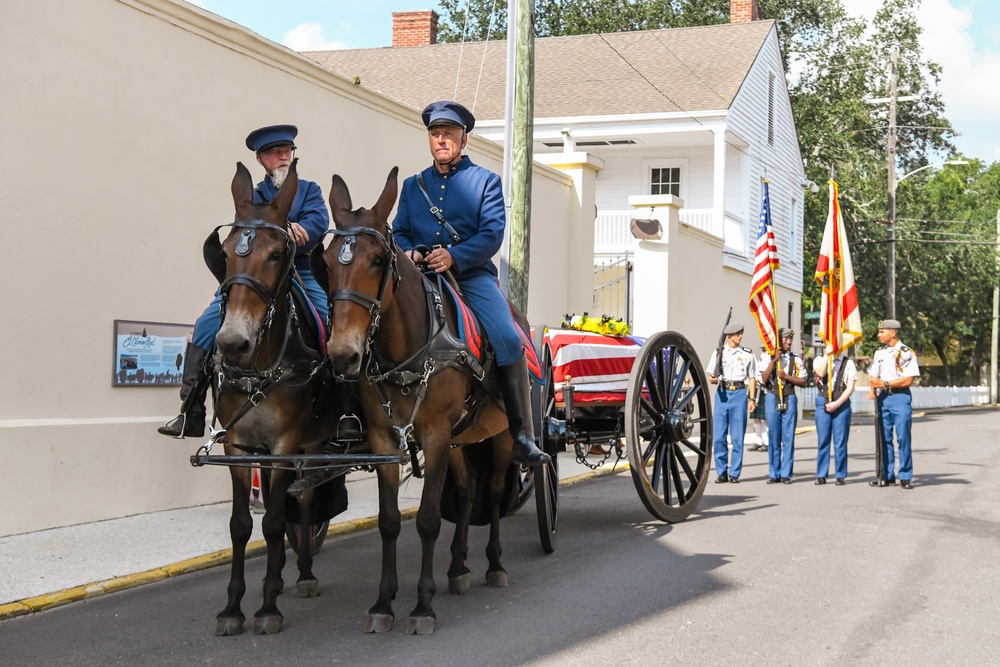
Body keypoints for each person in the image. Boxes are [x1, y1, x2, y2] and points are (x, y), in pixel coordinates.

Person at [392, 100, 549, 467]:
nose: (441, 140)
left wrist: (454, 256)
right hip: (420, 277)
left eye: (449, 134)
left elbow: (492, 234)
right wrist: (411, 252)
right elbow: (398, 231)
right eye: (435, 134)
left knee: (509, 340)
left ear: (464, 140)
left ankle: (522, 434)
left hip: (471, 276)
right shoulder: (414, 186)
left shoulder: (486, 182)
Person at [159, 124, 331, 438]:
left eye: (287, 151)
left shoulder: (309, 190)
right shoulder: (251, 198)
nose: (283, 157)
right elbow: (243, 235)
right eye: (275, 153)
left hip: (300, 269)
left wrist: (292, 234)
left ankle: (341, 405)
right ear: (260, 160)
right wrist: (281, 230)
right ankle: (192, 407)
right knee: (207, 323)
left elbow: (318, 222)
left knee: (330, 319)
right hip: (255, 273)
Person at [867, 318, 920, 489]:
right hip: (883, 398)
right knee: (884, 438)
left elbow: (908, 380)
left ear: (893, 332)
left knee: (903, 437)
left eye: (882, 331)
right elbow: (873, 376)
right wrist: (871, 387)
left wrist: (885, 384)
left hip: (900, 398)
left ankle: (905, 475)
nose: (879, 334)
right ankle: (886, 474)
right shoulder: (879, 353)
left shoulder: (907, 352)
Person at [705, 322, 757, 483]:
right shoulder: (719, 352)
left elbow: (752, 377)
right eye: (737, 334)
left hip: (740, 393)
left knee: (737, 436)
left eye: (741, 333)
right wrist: (713, 379)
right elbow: (711, 374)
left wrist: (752, 398)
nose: (740, 336)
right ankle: (721, 472)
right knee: (719, 436)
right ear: (729, 336)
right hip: (722, 392)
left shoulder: (747, 354)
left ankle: (734, 473)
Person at [760, 328, 807, 483]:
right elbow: (763, 379)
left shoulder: (795, 359)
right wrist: (774, 361)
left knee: (788, 437)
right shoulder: (768, 356)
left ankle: (786, 473)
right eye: (785, 339)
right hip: (772, 396)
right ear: (778, 340)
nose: (788, 342)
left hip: (789, 396)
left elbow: (803, 381)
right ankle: (774, 473)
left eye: (790, 339)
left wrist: (787, 376)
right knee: (773, 436)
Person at [813, 346, 857, 485]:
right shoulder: (819, 359)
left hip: (841, 402)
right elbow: (820, 372)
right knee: (823, 440)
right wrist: (827, 355)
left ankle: (840, 474)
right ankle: (821, 474)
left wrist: (837, 403)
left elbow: (850, 387)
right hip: (823, 400)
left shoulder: (848, 362)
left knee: (840, 440)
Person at [749, 345, 769, 451]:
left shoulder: (769, 360)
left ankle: (767, 441)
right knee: (756, 417)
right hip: (757, 390)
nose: (763, 351)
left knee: (765, 418)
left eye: (765, 349)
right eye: (763, 349)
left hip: (765, 390)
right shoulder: (760, 360)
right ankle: (758, 440)